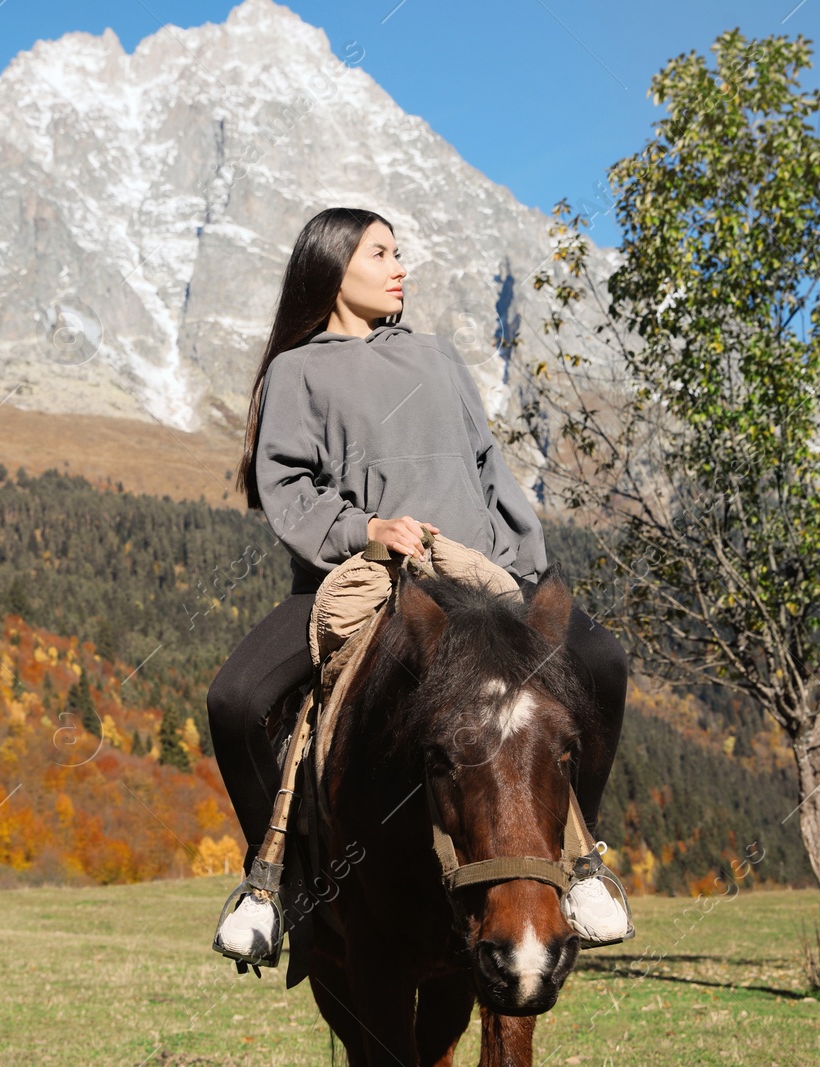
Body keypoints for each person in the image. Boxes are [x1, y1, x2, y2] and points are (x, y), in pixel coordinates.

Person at [207, 207, 630, 961]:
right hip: (358, 575)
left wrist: (528, 568)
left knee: (603, 664)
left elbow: (487, 469)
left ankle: (582, 862)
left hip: (478, 572)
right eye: (381, 252)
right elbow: (288, 485)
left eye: (398, 251)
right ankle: (272, 879)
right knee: (235, 700)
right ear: (335, 265)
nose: (400, 265)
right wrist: (364, 530)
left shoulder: (437, 356)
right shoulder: (296, 369)